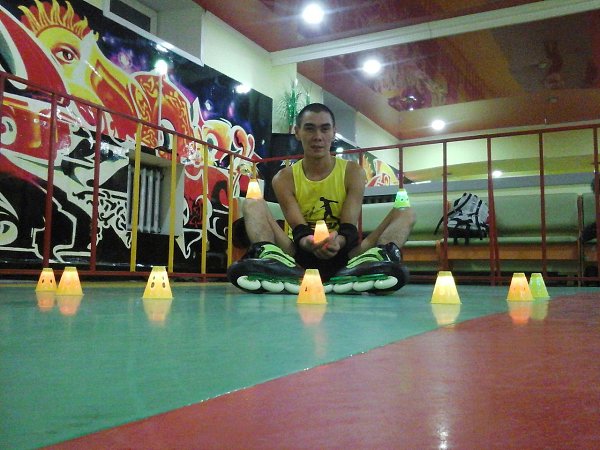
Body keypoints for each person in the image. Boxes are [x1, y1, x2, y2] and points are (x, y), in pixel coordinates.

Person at [227, 103, 415, 294]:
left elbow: (348, 229)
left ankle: (382, 259)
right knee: (252, 202)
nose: (318, 136)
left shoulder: (353, 172)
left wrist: (337, 241)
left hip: (348, 257)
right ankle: (267, 259)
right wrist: (309, 242)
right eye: (310, 128)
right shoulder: (283, 178)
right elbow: (299, 230)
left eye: (325, 129)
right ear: (297, 132)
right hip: (299, 255)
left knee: (405, 212)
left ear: (333, 132)